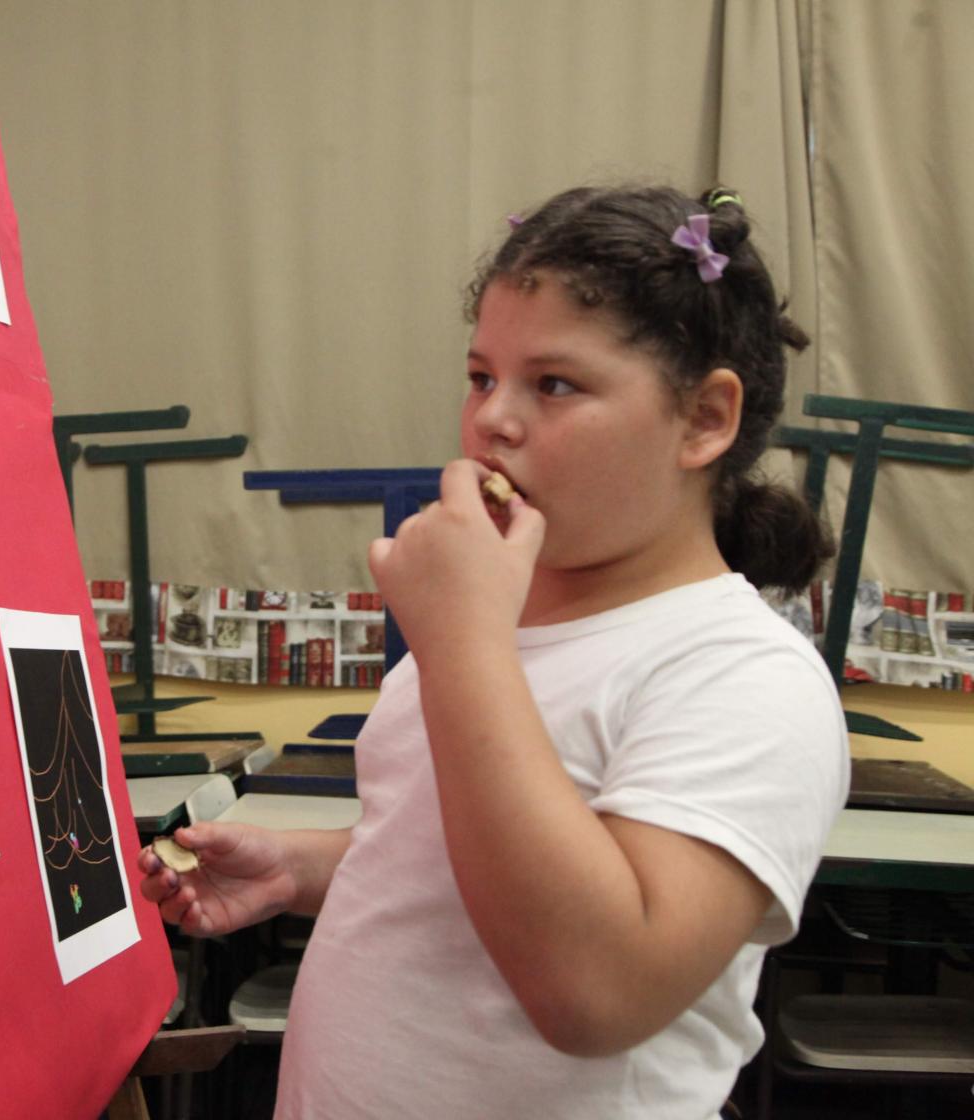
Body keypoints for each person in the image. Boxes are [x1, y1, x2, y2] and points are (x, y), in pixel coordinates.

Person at [138, 184, 849, 1119]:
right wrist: (304, 867)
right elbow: (457, 859)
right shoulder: (493, 625)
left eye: (554, 383)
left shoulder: (741, 673)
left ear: (706, 419)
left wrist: (463, 639)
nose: (492, 422)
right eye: (481, 377)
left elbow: (598, 990)